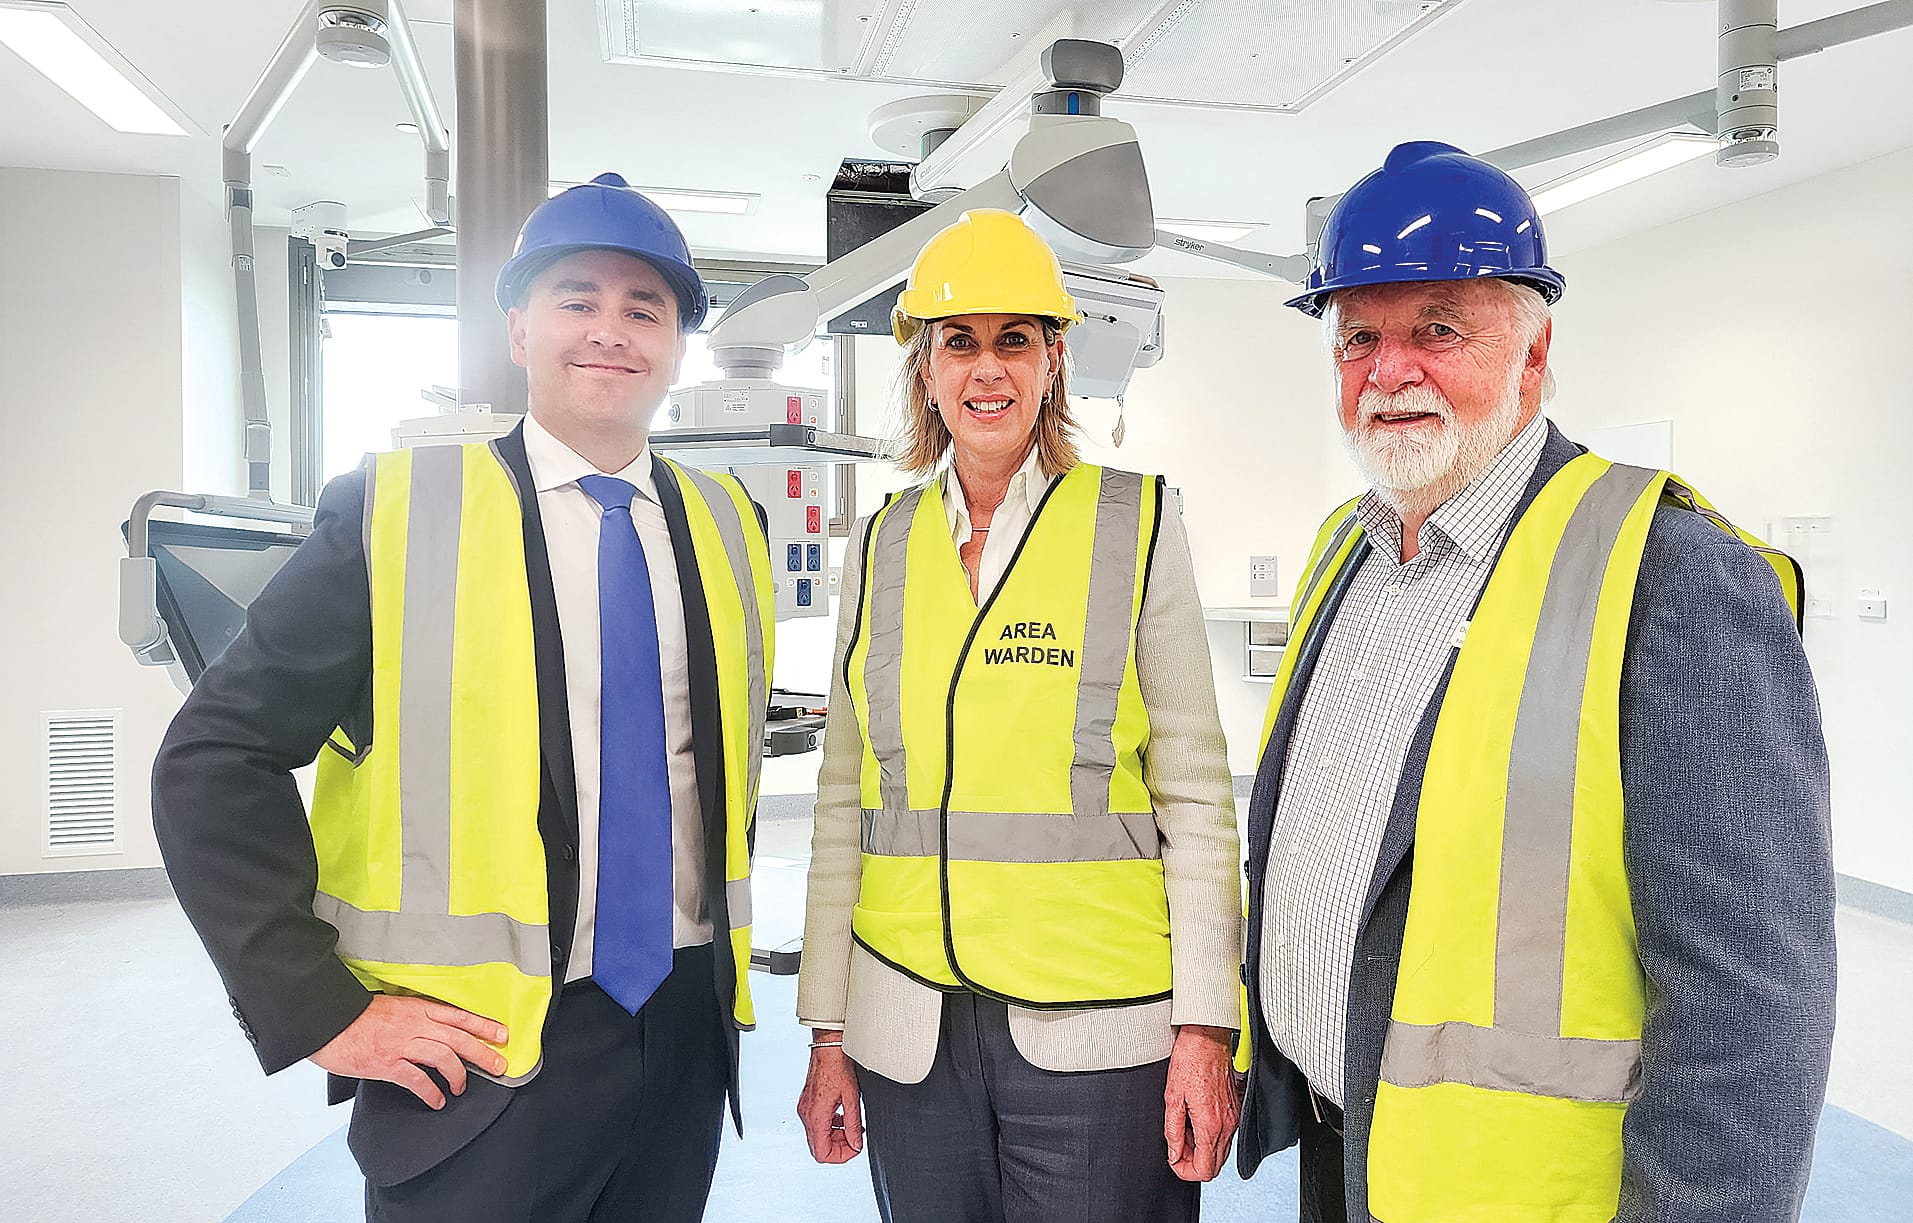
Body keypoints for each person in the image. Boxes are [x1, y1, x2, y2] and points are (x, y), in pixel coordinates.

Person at [1234, 140, 1837, 1223]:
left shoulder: (1668, 573)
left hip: (1520, 1195)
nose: (1389, 370)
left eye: (1438, 330)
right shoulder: (1344, 549)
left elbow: (1748, 1007)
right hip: (1343, 1152)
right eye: (1358, 336)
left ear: (1532, 350)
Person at [151, 173, 773, 1222]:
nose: (609, 331)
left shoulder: (726, 522)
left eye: (644, 309)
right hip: (473, 1058)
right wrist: (316, 1005)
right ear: (519, 327)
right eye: (576, 299)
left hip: (683, 1031)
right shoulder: (397, 510)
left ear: (676, 345)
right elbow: (213, 757)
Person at [794, 208, 1243, 1223]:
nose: (986, 368)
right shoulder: (880, 544)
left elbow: (1194, 794)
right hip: (908, 1030)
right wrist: (827, 1028)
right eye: (958, 340)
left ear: (1053, 361)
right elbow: (841, 800)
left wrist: (1207, 1025)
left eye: (1014, 339)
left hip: (1099, 1030)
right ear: (924, 368)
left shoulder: (1135, 522)